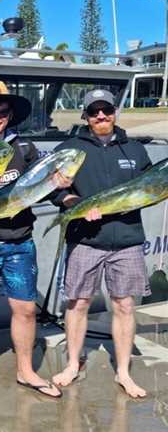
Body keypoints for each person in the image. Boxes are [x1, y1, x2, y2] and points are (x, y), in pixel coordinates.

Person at [0, 81, 69, 399]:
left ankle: (26, 370)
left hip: (19, 241)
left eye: (1, 111)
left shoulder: (25, 149)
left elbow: (46, 187)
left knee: (26, 310)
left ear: (10, 115)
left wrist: (62, 186)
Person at [50, 89, 152, 398]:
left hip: (127, 239)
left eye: (106, 109)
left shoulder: (135, 149)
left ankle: (123, 371)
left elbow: (150, 186)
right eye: (94, 111)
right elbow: (53, 191)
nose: (101, 116)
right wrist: (71, 199)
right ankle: (72, 364)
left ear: (114, 111)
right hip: (85, 238)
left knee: (124, 304)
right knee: (78, 303)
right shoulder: (69, 148)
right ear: (85, 115)